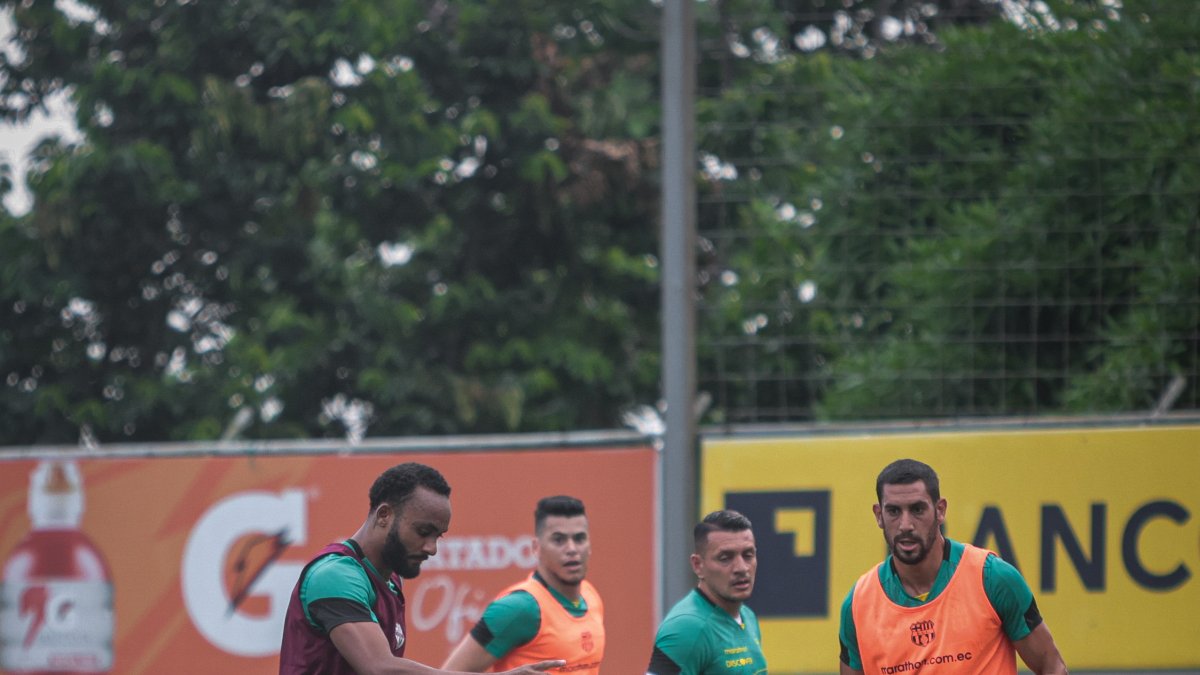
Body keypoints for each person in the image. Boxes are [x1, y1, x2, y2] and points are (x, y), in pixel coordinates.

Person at [279, 462, 563, 675]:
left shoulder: (390, 580)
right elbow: (380, 668)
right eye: (423, 531)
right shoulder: (336, 576)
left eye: (438, 536)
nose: (432, 548)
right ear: (384, 515)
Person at [839, 458, 1068, 675]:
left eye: (917, 509)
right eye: (893, 511)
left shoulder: (992, 578)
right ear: (879, 515)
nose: (905, 525)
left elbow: (1052, 667)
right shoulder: (858, 604)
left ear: (940, 510)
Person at [442, 495, 604, 673]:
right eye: (559, 540)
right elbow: (450, 672)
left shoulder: (590, 595)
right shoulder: (518, 607)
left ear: (589, 545)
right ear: (536, 547)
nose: (572, 549)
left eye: (579, 538)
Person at [646, 510, 766, 675]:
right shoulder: (687, 628)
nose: (742, 568)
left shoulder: (748, 616)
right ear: (698, 565)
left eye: (748, 555)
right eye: (725, 558)